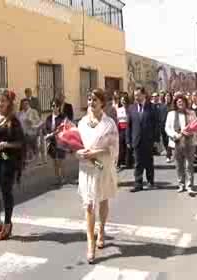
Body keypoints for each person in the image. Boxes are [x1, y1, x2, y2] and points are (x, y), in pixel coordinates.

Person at [77, 88, 119, 264]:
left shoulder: (109, 124)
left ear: (102, 102)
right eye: (89, 99)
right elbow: (76, 144)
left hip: (102, 166)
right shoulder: (81, 123)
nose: (91, 102)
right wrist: (78, 152)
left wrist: (96, 152)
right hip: (86, 168)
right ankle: (90, 244)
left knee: (102, 200)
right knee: (88, 205)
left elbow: (114, 148)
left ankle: (101, 229)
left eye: (95, 99)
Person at [0, 89, 24, 242]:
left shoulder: (13, 120)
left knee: (6, 191)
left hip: (8, 158)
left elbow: (20, 142)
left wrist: (3, 144)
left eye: (3, 101)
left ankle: (7, 223)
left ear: (9, 103)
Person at [126, 87, 160, 192]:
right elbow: (129, 126)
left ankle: (150, 182)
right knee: (137, 163)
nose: (136, 97)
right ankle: (138, 184)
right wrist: (128, 140)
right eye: (135, 95)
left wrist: (156, 139)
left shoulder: (152, 107)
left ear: (144, 95)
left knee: (149, 162)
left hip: (148, 140)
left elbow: (156, 124)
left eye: (138, 95)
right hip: (136, 140)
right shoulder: (131, 108)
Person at [165, 95, 197, 195]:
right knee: (179, 165)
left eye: (182, 102)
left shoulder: (191, 113)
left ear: (185, 103)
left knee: (189, 165)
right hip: (177, 142)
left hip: (190, 142)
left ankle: (190, 186)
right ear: (175, 103)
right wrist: (175, 135)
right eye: (178, 102)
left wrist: (192, 132)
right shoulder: (171, 114)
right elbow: (167, 128)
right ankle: (181, 184)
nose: (180, 103)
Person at [44, 98, 66, 185]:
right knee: (55, 161)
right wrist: (47, 135)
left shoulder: (63, 117)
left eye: (56, 106)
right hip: (52, 142)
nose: (54, 107)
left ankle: (62, 177)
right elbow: (46, 128)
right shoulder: (49, 117)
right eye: (53, 106)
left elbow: (63, 128)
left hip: (60, 141)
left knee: (60, 160)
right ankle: (58, 178)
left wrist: (53, 133)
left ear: (59, 107)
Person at [116, 94, 133, 169]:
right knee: (120, 146)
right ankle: (119, 162)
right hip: (121, 129)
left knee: (128, 146)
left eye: (124, 100)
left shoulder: (130, 109)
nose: (123, 101)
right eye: (122, 100)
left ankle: (128, 162)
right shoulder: (119, 109)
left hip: (128, 128)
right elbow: (117, 120)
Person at [159, 92, 174, 162]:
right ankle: (169, 152)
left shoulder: (173, 106)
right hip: (162, 126)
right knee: (165, 141)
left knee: (169, 140)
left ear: (171, 98)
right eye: (166, 96)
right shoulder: (161, 106)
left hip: (171, 126)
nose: (167, 97)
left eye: (169, 96)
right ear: (164, 97)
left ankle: (168, 155)